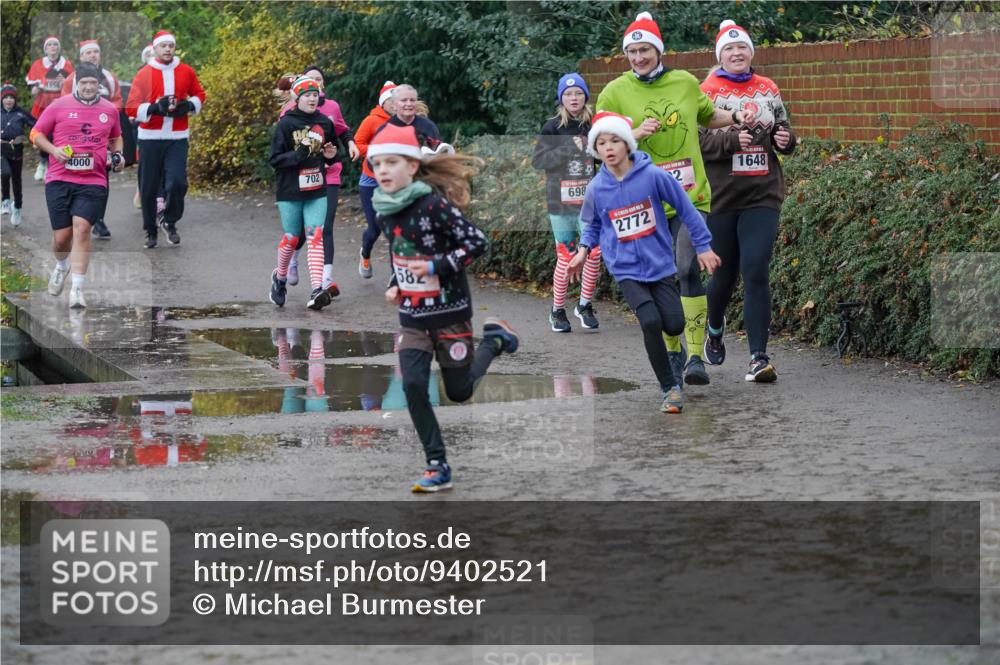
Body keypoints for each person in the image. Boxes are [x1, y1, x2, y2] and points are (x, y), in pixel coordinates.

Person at [595, 11, 749, 386]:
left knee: (685, 267)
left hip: (690, 195)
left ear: (658, 50)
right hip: (641, 200)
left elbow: (708, 114)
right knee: (660, 276)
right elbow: (601, 139)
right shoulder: (614, 91)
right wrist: (633, 132)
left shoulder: (683, 82)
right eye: (632, 52)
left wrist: (736, 117)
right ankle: (674, 348)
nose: (638, 58)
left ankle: (695, 356)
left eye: (645, 50)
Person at [368, 124, 519, 492]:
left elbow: (477, 243)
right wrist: (395, 285)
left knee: (460, 391)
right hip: (414, 318)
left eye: (392, 162)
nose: (383, 170)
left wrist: (437, 267)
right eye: (376, 164)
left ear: (414, 167)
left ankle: (494, 341)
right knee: (414, 385)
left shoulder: (433, 206)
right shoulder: (384, 210)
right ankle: (437, 463)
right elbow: (400, 256)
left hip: (450, 313)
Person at [568, 112, 719, 413]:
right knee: (650, 322)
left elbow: (686, 209)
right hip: (625, 268)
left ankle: (677, 354)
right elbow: (593, 225)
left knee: (674, 324)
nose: (608, 147)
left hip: (660, 265)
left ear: (627, 143)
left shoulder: (654, 176)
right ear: (595, 151)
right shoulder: (597, 188)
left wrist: (703, 246)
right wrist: (584, 249)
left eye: (614, 140)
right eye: (601, 143)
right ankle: (670, 388)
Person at [699, 20, 796, 383]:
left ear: (751, 53)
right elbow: (697, 143)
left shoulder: (768, 88)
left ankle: (758, 357)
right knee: (722, 277)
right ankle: (714, 326)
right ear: (720, 56)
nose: (737, 53)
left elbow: (784, 130)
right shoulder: (706, 92)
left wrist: (787, 141)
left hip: (762, 195)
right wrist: (729, 143)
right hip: (722, 198)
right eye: (729, 49)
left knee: (756, 269)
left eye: (742, 48)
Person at [29, 62, 124, 309]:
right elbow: (36, 134)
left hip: (93, 180)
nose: (89, 87)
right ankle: (61, 266)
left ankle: (77, 290)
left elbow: (116, 137)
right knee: (62, 239)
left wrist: (118, 155)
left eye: (93, 83)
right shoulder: (58, 106)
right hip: (60, 178)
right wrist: (54, 150)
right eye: (84, 83)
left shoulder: (109, 110)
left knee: (82, 229)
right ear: (75, 84)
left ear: (99, 84)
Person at [280, 65, 359, 298]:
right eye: (311, 80)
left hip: (329, 174)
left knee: (325, 226)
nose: (316, 84)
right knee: (300, 232)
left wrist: (350, 144)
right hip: (299, 178)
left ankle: (325, 280)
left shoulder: (332, 107)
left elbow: (342, 131)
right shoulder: (289, 113)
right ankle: (292, 258)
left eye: (320, 80)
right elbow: (284, 147)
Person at [531, 73, 601, 332]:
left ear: (585, 96)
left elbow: (605, 157)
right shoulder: (552, 127)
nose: (574, 98)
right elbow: (538, 162)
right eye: (569, 94)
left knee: (594, 253)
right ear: (561, 98)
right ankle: (557, 310)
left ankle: (584, 304)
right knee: (567, 256)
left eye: (578, 93)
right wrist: (567, 149)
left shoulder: (594, 124)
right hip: (560, 204)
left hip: (589, 204)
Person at [126, 30, 206, 249]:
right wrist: (154, 108)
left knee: (178, 182)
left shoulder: (186, 71)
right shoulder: (144, 73)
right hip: (150, 137)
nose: (168, 49)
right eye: (164, 46)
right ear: (155, 49)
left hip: (177, 137)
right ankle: (150, 231)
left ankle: (169, 220)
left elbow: (200, 94)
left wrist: (189, 105)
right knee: (149, 186)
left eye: (171, 45)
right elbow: (131, 106)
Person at [268, 76, 338, 310]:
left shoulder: (324, 123)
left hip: (317, 189)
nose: (312, 98)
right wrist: (298, 154)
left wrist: (331, 155)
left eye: (315, 95)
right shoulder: (286, 124)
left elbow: (333, 152)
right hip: (289, 190)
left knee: (315, 235)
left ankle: (317, 289)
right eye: (307, 95)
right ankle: (279, 278)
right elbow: (275, 160)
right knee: (291, 239)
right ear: (297, 98)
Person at [62, 39, 123, 239]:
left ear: (100, 55)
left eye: (95, 52)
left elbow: (117, 103)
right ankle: (74, 214)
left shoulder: (109, 77)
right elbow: (62, 106)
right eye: (88, 52)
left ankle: (98, 219)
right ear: (81, 57)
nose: (92, 55)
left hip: (101, 138)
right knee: (72, 175)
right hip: (74, 139)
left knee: (102, 179)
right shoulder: (71, 79)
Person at [355, 80, 396, 278]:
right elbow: (357, 144)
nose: (395, 104)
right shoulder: (371, 120)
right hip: (370, 180)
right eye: (391, 100)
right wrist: (376, 151)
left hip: (394, 181)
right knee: (375, 229)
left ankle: (396, 275)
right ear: (383, 102)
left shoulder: (404, 121)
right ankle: (365, 252)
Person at [25, 36, 73, 181]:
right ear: (45, 49)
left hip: (61, 105)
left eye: (55, 45)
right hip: (43, 106)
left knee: (57, 136)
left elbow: (73, 86)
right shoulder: (38, 64)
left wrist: (65, 83)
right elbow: (32, 89)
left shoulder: (67, 65)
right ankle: (43, 162)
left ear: (59, 48)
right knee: (42, 135)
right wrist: (36, 88)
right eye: (50, 45)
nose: (53, 47)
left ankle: (52, 166)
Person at [2, 83, 35, 227]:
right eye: (6, 97)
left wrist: (35, 139)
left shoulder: (21, 112)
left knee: (16, 180)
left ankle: (18, 207)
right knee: (5, 172)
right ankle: (5, 201)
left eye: (11, 97)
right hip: (1, 149)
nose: (9, 100)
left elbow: (37, 125)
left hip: (17, 150)